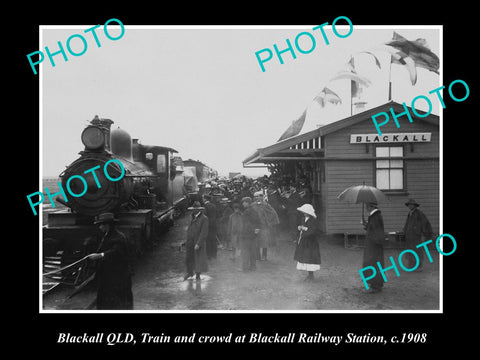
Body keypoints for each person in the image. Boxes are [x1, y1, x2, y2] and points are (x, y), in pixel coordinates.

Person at [88, 212, 133, 310]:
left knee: (118, 301)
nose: (100, 227)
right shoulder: (107, 235)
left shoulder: (119, 237)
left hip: (119, 276)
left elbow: (116, 252)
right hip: (109, 274)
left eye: (101, 225)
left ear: (108, 225)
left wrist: (99, 255)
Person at [403, 198, 433, 271]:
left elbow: (424, 223)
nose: (410, 206)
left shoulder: (419, 214)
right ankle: (411, 265)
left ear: (415, 206)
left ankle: (419, 266)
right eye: (409, 205)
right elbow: (407, 224)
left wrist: (422, 233)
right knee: (410, 250)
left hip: (416, 236)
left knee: (417, 250)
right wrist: (405, 230)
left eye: (411, 205)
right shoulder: (410, 214)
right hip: (409, 236)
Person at [293, 204, 321, 282]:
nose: (304, 213)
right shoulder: (303, 219)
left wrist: (304, 228)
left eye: (305, 212)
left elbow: (313, 231)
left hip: (311, 242)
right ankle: (309, 275)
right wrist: (300, 228)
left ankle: (311, 275)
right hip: (304, 241)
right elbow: (302, 227)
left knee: (310, 258)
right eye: (303, 212)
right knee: (305, 257)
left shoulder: (313, 220)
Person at [362, 201, 385, 293]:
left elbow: (376, 232)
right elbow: (372, 228)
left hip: (373, 246)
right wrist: (366, 225)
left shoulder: (375, 217)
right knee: (373, 264)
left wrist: (374, 243)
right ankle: (375, 284)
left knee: (373, 264)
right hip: (374, 245)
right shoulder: (374, 216)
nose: (366, 208)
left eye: (367, 206)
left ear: (370, 207)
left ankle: (375, 285)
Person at [251, 190, 280, 260]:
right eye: (256, 196)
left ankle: (264, 256)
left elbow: (273, 213)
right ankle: (257, 256)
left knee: (264, 241)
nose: (258, 198)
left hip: (264, 226)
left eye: (260, 196)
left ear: (262, 197)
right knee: (256, 241)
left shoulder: (266, 205)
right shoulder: (252, 205)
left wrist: (269, 221)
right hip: (255, 226)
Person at [184, 201, 209, 281]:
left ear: (200, 209)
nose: (194, 210)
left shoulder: (204, 218)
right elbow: (189, 230)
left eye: (196, 209)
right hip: (190, 241)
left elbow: (204, 232)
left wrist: (198, 243)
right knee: (189, 258)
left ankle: (198, 274)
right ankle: (190, 273)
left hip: (198, 242)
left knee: (198, 259)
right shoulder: (191, 217)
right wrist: (186, 241)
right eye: (193, 208)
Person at [239, 197, 261, 271]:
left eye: (243, 202)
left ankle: (245, 267)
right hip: (254, 235)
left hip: (246, 235)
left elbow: (246, 224)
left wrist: (242, 233)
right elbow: (258, 222)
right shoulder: (254, 211)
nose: (242, 204)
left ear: (247, 202)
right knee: (252, 251)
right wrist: (256, 230)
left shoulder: (246, 212)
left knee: (245, 251)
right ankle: (253, 266)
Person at [203, 194, 218, 260]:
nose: (202, 199)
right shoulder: (214, 205)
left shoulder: (205, 206)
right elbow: (217, 215)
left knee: (208, 240)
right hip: (214, 225)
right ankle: (214, 254)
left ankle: (209, 255)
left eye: (203, 198)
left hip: (208, 225)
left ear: (206, 199)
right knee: (213, 240)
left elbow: (205, 216)